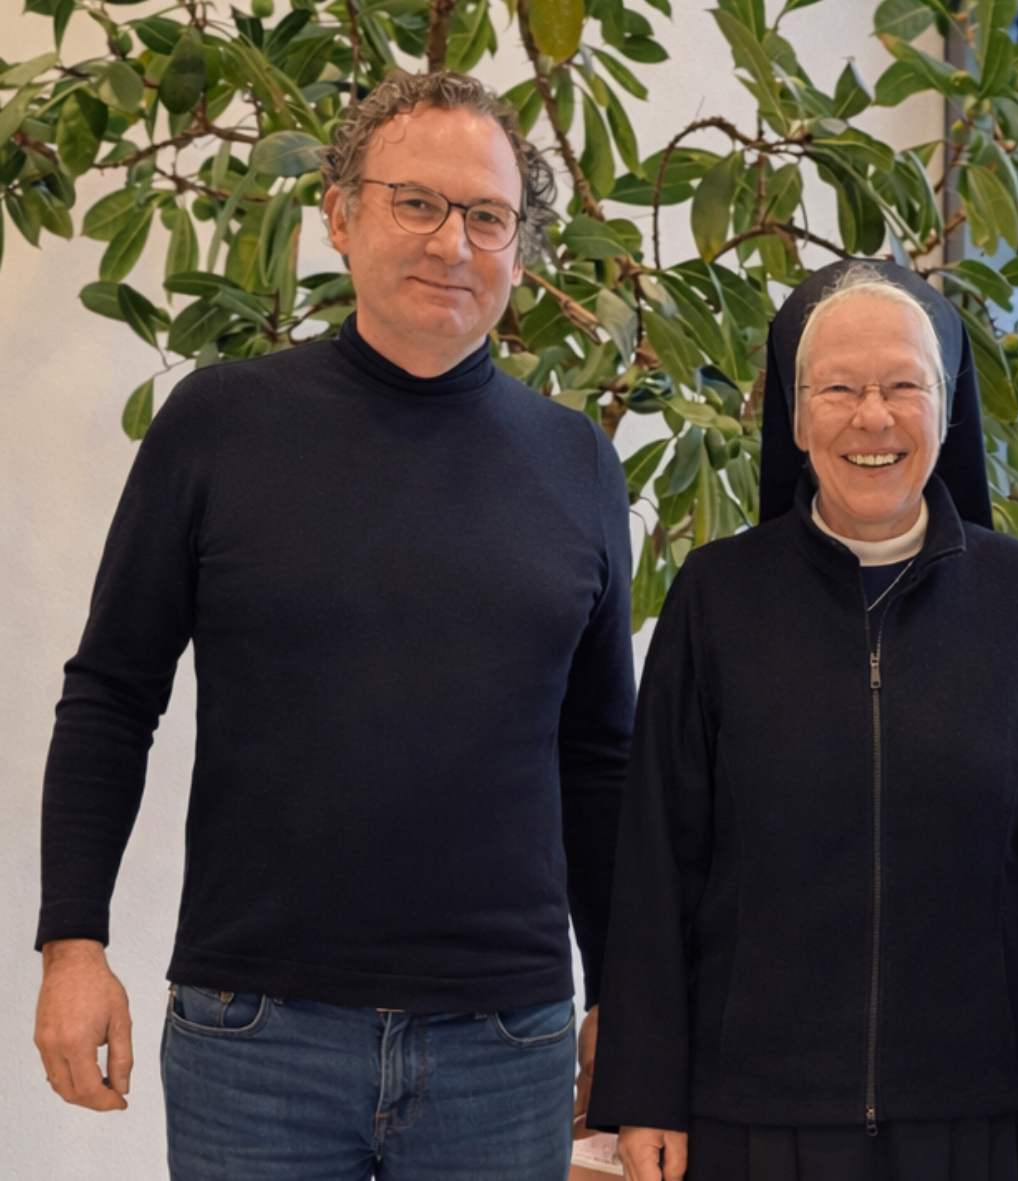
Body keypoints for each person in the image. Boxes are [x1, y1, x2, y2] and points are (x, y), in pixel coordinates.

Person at [33, 70, 634, 1180]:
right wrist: (74, 944)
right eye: (418, 202)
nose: (452, 242)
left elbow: (599, 758)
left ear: (520, 249)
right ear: (340, 213)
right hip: (255, 1035)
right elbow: (113, 693)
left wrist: (625, 998)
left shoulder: (579, 464)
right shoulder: (218, 424)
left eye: (487, 216)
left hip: (505, 1044)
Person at [586, 259, 1018, 1181]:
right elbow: (658, 859)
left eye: (905, 386)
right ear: (794, 415)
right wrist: (647, 1089)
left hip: (976, 1110)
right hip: (753, 1113)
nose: (875, 417)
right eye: (839, 388)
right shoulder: (716, 597)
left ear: (947, 412)